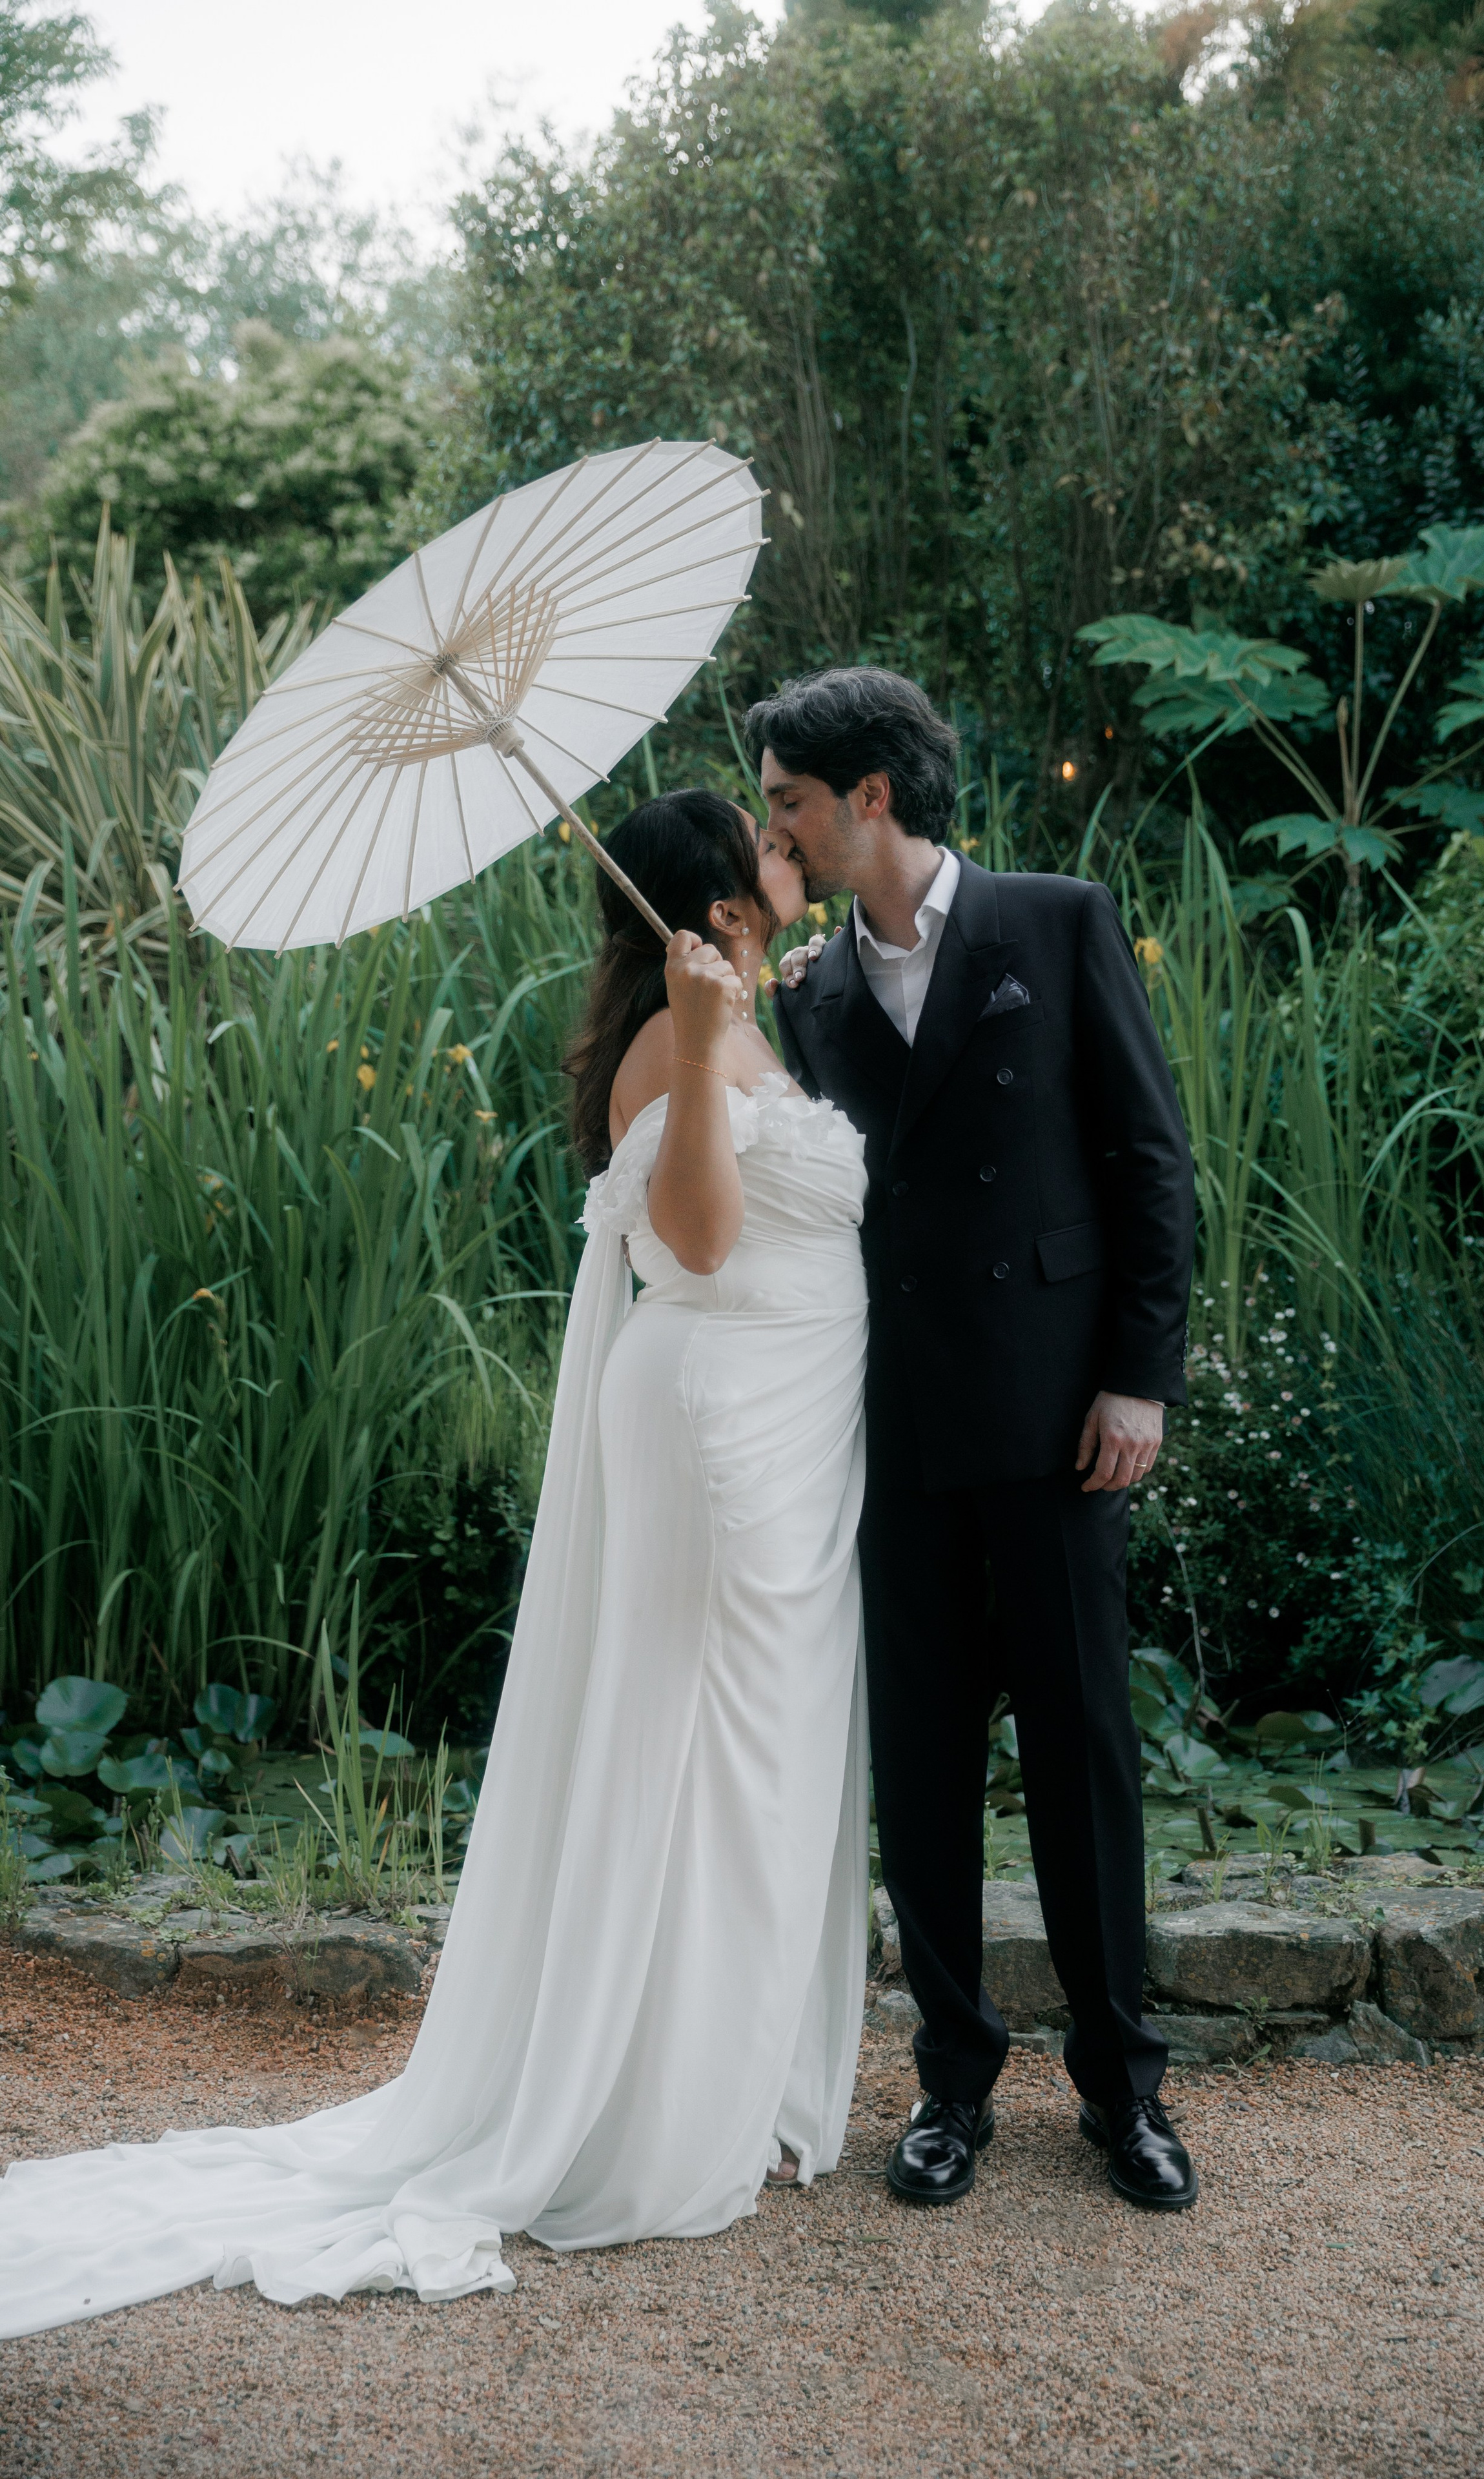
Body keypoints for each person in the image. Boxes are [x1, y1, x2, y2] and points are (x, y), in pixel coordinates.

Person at [0, 791, 873, 2337]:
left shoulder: (735, 1016)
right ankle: (646, 2117)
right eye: (771, 845)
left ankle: (711, 2080)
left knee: (754, 1758)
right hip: (725, 1444)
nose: (790, 857)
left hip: (786, 1437)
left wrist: (716, 1026)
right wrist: (690, 1034)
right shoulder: (673, 1046)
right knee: (702, 1755)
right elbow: (704, 1241)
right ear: (724, 902)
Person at [753, 668, 1201, 2214]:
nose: (777, 827)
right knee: (923, 1773)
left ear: (868, 795)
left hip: (1062, 1423)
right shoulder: (807, 997)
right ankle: (953, 2086)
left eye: (789, 800)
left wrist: (1138, 1379)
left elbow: (1149, 1163)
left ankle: (1122, 2091)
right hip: (893, 1437)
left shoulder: (1055, 920)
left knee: (1083, 1761)